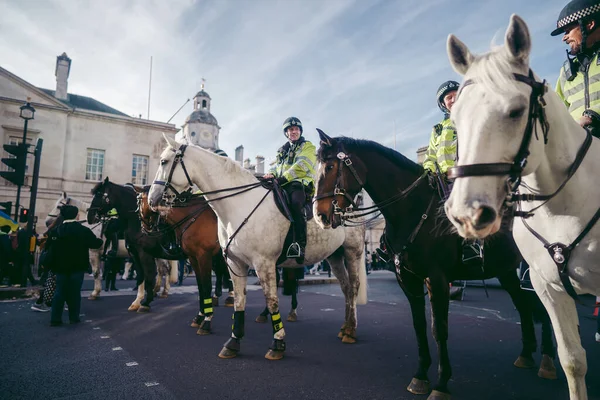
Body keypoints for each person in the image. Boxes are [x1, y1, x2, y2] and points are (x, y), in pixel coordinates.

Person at [263, 116, 317, 261]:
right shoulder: (283, 150)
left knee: (296, 204)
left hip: (300, 184)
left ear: (300, 131)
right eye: (291, 129)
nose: (294, 132)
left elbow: (301, 166)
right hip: (282, 184)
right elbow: (276, 167)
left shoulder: (308, 146)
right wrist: (271, 175)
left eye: (296, 129)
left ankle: (300, 245)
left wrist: (282, 178)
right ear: (286, 133)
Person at [47, 205, 103, 326]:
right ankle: (74, 317)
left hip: (60, 267)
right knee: (74, 293)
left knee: (59, 292)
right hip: (77, 267)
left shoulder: (56, 231)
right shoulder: (83, 230)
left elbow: (49, 248)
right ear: (77, 216)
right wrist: (101, 239)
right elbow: (95, 244)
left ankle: (55, 319)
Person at [552, 0, 600, 135]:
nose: (564, 38)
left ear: (590, 24)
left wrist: (593, 115)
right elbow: (556, 109)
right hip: (581, 149)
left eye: (568, 31)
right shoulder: (566, 71)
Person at [101, 208, 122, 291]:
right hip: (115, 249)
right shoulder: (117, 223)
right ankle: (112, 286)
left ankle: (108, 286)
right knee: (113, 270)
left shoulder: (108, 223)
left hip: (109, 250)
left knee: (109, 270)